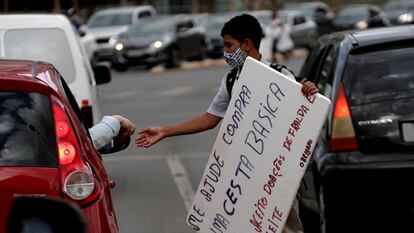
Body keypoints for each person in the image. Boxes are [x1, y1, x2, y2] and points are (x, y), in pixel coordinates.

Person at [135, 14, 318, 233]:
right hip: (243, 175)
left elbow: (304, 113)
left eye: (229, 45)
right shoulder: (231, 80)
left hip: (275, 177)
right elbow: (209, 119)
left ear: (247, 44)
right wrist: (164, 131)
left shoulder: (281, 76)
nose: (226, 52)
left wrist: (308, 92)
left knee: (284, 227)